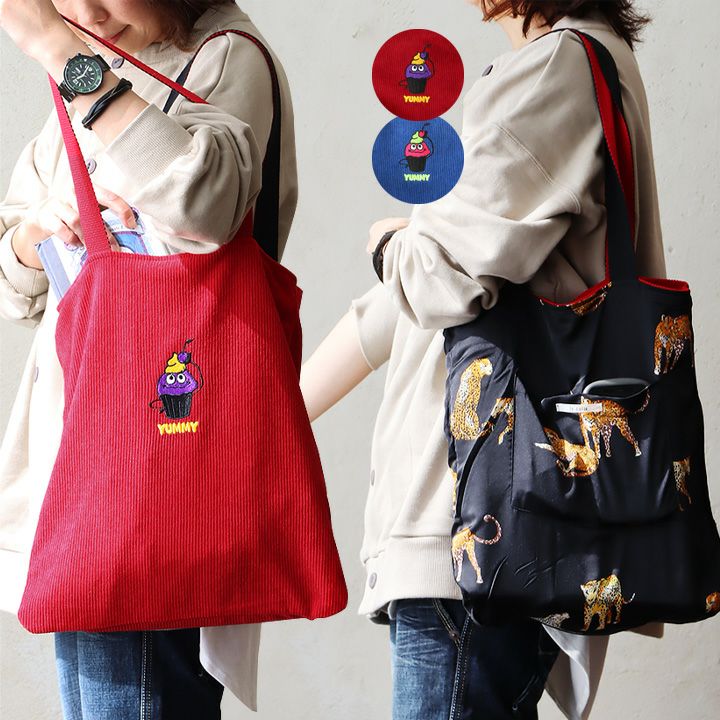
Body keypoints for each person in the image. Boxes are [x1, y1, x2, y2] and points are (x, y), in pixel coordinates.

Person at [300, 1, 665, 718]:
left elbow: (436, 279)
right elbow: (408, 306)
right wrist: (272, 415)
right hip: (486, 525)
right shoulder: (573, 64)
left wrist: (390, 243)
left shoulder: (556, 67)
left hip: (473, 526)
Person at [0, 1, 297, 716]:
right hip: (80, 477)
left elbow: (204, 202)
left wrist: (61, 53)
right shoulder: (107, 63)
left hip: (152, 474)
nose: (87, 12)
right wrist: (38, 235)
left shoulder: (222, 55)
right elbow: (15, 275)